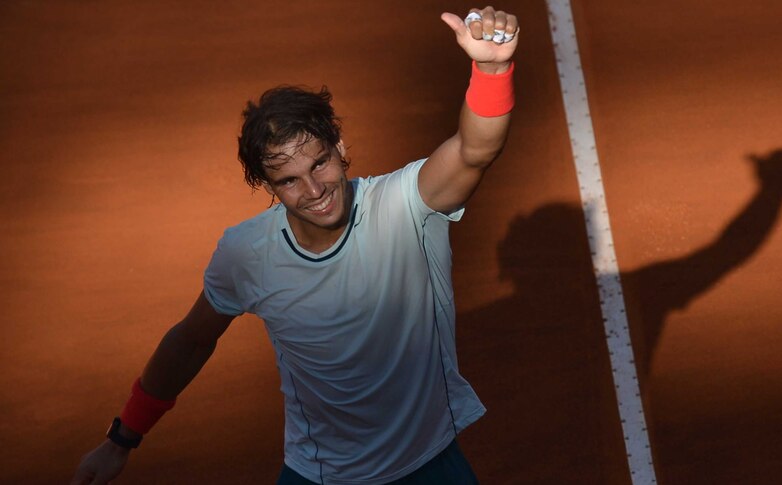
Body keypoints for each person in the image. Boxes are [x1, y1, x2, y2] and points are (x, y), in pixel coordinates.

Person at [71, 6, 518, 485]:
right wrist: (121, 439)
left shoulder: (407, 203)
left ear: (340, 147)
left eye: (320, 164)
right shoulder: (247, 254)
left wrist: (491, 69)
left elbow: (476, 150)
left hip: (429, 464)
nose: (314, 190)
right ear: (267, 185)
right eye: (289, 181)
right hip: (322, 475)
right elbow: (191, 340)